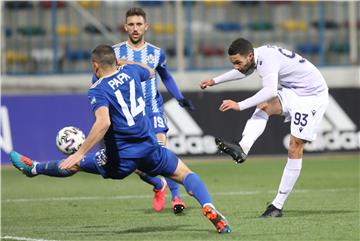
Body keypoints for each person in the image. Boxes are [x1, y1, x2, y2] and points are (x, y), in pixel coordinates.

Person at [10, 45, 231, 234]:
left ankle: (35, 169)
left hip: (120, 157)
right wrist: (121, 62)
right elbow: (150, 72)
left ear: (95, 66)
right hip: (149, 147)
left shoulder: (97, 90)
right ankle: (208, 205)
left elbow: (103, 122)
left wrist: (79, 152)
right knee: (186, 174)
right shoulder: (132, 71)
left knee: (76, 164)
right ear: (115, 61)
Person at [200, 38, 328, 218]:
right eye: (233, 63)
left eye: (238, 62)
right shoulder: (256, 56)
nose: (236, 66)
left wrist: (239, 105)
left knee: (295, 146)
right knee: (264, 106)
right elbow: (243, 71)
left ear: (250, 56)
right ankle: (242, 148)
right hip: (294, 90)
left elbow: (270, 91)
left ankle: (277, 205)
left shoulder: (267, 59)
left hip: (312, 96)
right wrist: (214, 81)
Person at [113, 7, 194, 214]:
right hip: (129, 115)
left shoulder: (156, 53)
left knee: (161, 151)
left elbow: (165, 76)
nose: (135, 28)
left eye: (139, 24)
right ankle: (159, 185)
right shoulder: (115, 53)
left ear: (146, 27)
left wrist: (180, 98)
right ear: (125, 27)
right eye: (131, 24)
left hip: (153, 109)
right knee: (137, 165)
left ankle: (176, 197)